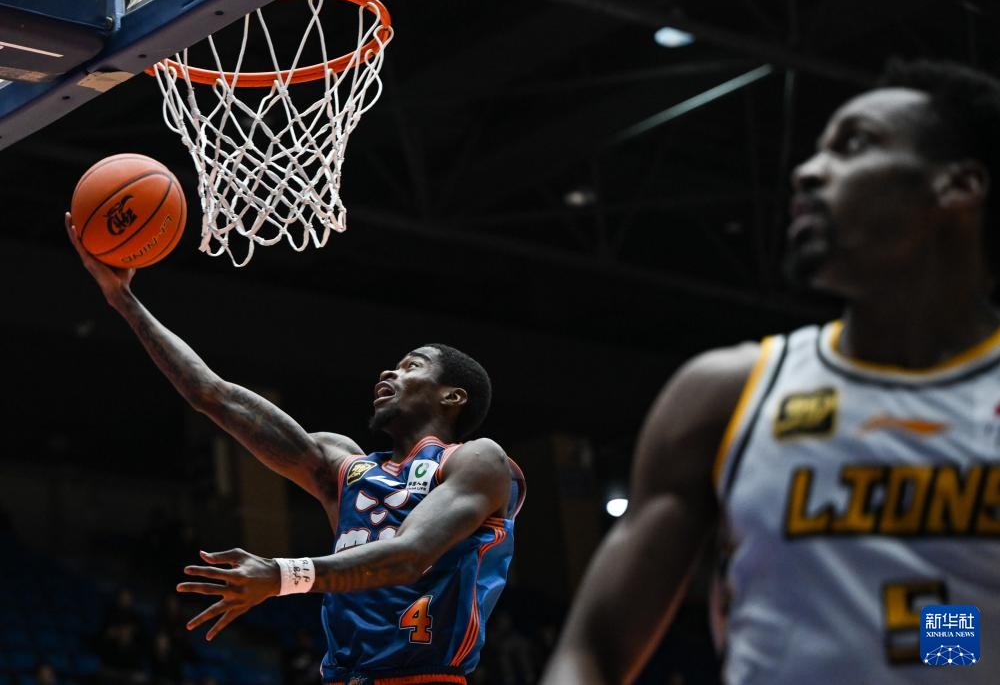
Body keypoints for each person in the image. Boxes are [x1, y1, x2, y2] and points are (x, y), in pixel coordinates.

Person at [540, 59, 1000, 684]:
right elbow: (592, 647)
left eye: (853, 145)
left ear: (958, 186)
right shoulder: (726, 393)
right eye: (817, 150)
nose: (807, 171)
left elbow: (945, 610)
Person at [66, 215, 526, 685]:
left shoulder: (476, 460)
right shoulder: (343, 469)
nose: (389, 373)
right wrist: (123, 301)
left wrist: (283, 575)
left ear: (453, 396)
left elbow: (410, 555)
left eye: (412, 366)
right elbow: (212, 395)